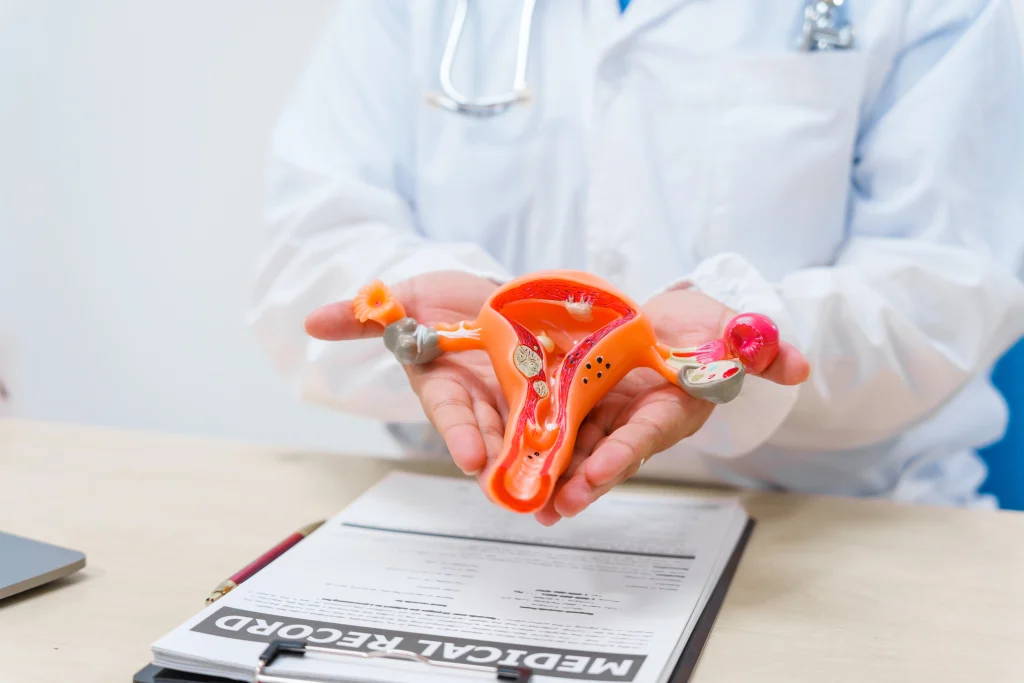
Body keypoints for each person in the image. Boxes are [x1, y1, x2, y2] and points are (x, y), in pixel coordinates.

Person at [247, 0, 1024, 523]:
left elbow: (948, 282)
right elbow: (314, 245)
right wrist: (453, 322)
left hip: (827, 525)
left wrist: (747, 330)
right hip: (471, 525)